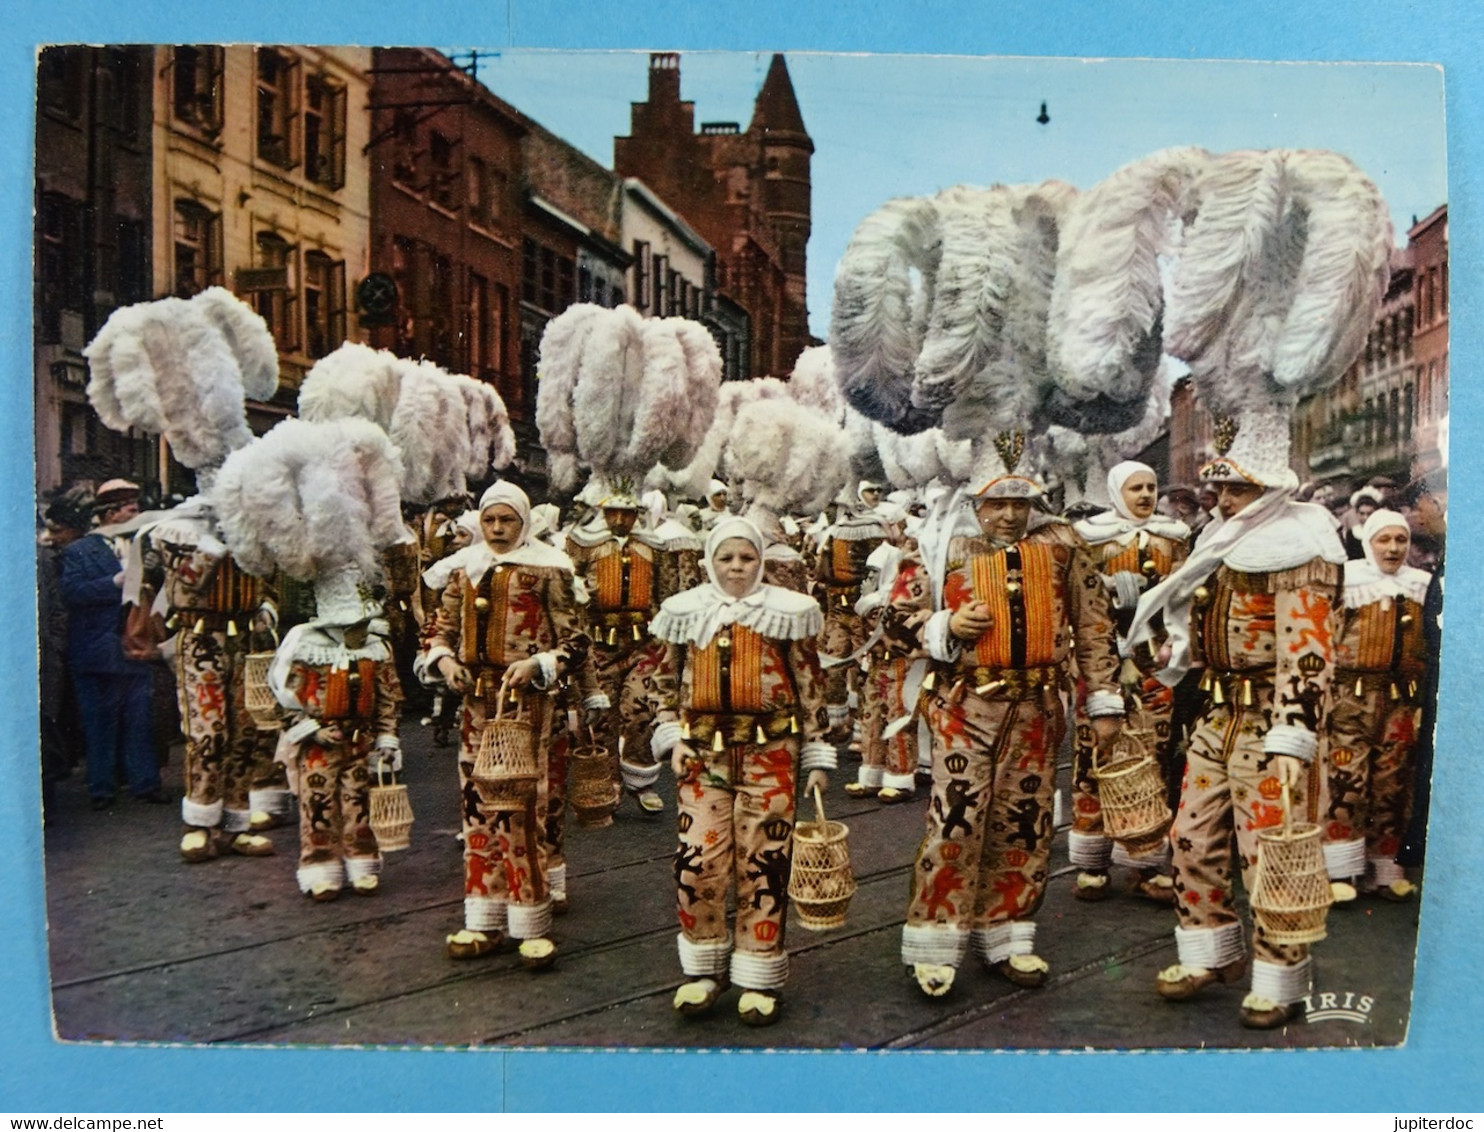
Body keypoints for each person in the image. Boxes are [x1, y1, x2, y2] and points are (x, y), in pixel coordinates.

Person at [1126, 429, 1346, 1029]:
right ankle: (1208, 952)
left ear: (1269, 488)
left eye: (1237, 489)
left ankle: (1278, 976)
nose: (1222, 501)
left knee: (1270, 852)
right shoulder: (1221, 541)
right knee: (1191, 837)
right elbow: (1200, 634)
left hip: (1269, 723)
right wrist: (1164, 652)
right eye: (1219, 487)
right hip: (1217, 715)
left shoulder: (1301, 546)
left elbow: (1308, 655)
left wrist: (1293, 739)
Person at [887, 443, 1125, 998]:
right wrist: (944, 623)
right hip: (963, 704)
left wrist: (1105, 699)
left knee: (1025, 819)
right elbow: (894, 621)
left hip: (1038, 709)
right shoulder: (941, 542)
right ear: (977, 500)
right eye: (998, 503)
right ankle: (936, 937)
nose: (1011, 514)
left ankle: (1008, 934)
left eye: (1021, 502)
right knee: (958, 818)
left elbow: (1094, 624)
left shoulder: (1064, 545)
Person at [649, 517, 835, 1025]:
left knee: (764, 859)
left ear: (761, 562)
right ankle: (704, 964)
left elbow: (811, 684)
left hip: (771, 753)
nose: (736, 567)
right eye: (726, 558)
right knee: (698, 858)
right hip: (702, 754)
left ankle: (757, 970)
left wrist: (817, 753)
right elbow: (664, 681)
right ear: (710, 561)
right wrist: (670, 738)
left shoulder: (788, 614)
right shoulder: (684, 612)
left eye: (746, 558)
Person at [417, 481, 602, 968]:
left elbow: (576, 641)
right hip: (477, 703)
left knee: (523, 806)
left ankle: (530, 918)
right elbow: (441, 627)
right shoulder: (463, 570)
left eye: (508, 521)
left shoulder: (549, 568)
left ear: (524, 523)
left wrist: (541, 663)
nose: (497, 530)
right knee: (477, 804)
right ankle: (483, 918)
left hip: (529, 706)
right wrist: (443, 660)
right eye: (490, 520)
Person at [1069, 461, 1190, 904]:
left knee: (1151, 757)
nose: (1144, 495)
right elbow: (1078, 596)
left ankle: (1143, 862)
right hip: (1102, 660)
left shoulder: (1174, 538)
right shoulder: (1090, 537)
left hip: (1156, 661)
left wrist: (1173, 641)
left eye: (1151, 487)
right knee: (1094, 757)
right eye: (1135, 488)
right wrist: (1108, 588)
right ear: (1116, 492)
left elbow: (1185, 599)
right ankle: (1092, 861)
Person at [1320, 509, 1430, 902]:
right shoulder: (1348, 583)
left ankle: (1385, 868)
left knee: (1393, 781)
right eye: (1384, 540)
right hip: (1351, 697)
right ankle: (1341, 870)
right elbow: (1325, 640)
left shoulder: (1422, 586)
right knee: (1347, 780)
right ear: (1369, 543)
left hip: (1399, 700)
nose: (1393, 548)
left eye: (1400, 540)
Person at [271, 575, 402, 902]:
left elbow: (388, 697)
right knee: (318, 802)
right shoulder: (308, 651)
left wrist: (386, 737)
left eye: (363, 623)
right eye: (352, 625)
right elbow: (285, 699)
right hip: (319, 744)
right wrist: (312, 729)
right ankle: (320, 864)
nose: (360, 630)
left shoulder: (375, 650)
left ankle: (362, 861)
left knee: (358, 802)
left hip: (359, 742)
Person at [52, 492, 165, 810]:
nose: (137, 514)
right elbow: (72, 592)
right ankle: (102, 790)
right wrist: (112, 583)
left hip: (135, 645)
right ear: (111, 514)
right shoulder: (78, 551)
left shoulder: (142, 547)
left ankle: (145, 784)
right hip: (96, 649)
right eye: (132, 509)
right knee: (99, 723)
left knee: (140, 720)